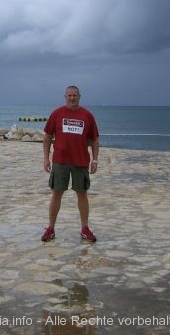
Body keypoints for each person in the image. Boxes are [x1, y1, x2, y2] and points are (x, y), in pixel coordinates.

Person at [42, 85, 100, 242]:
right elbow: (47, 137)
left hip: (80, 162)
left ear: (80, 96)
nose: (72, 98)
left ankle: (85, 228)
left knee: (82, 194)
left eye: (75, 95)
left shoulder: (87, 115)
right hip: (60, 161)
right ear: (65, 97)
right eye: (69, 95)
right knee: (56, 194)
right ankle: (51, 228)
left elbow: (94, 139)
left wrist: (95, 160)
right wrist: (46, 158)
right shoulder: (57, 114)